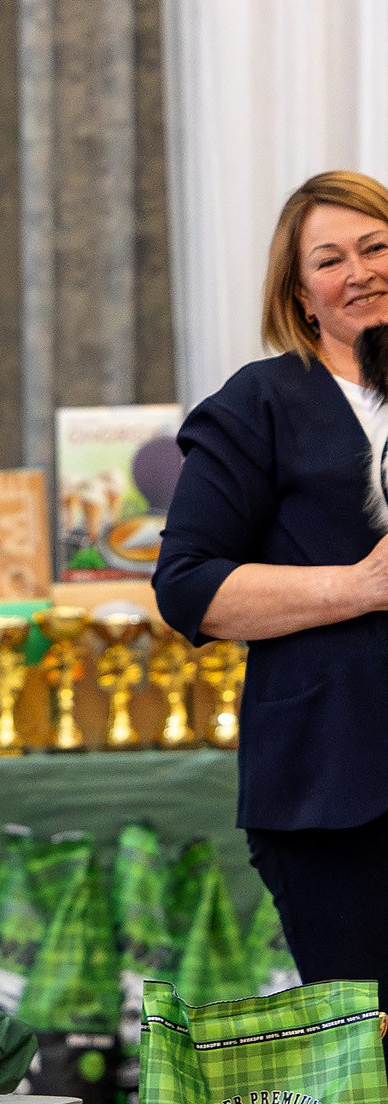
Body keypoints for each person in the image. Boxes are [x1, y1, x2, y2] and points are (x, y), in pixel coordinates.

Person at [155, 169, 388, 995]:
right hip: (338, 792)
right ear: (302, 294)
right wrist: (361, 586)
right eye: (331, 260)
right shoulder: (259, 405)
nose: (358, 271)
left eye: (376, 246)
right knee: (373, 1056)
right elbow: (187, 586)